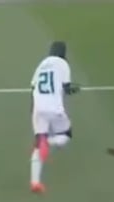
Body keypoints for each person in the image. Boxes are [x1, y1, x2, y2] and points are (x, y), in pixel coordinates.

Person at [30, 41, 80, 193]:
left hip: (38, 109)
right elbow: (66, 87)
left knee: (38, 145)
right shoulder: (63, 64)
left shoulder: (41, 64)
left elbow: (33, 87)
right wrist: (74, 89)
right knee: (65, 135)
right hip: (54, 108)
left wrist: (33, 111)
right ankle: (49, 142)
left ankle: (35, 182)